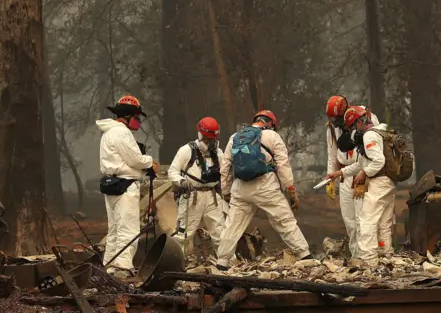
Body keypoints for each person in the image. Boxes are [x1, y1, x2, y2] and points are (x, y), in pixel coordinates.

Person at [216, 110, 311, 270]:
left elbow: (225, 168)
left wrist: (226, 192)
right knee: (284, 221)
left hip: (240, 188)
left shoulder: (235, 137)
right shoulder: (272, 136)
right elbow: (283, 165)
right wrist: (291, 190)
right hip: (265, 186)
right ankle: (305, 255)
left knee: (232, 225)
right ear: (271, 124)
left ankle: (222, 262)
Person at [96, 95, 157, 277]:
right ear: (128, 115)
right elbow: (135, 159)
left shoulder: (108, 132)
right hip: (125, 186)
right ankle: (122, 270)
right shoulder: (121, 132)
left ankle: (109, 267)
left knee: (114, 230)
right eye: (137, 118)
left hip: (112, 185)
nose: (138, 122)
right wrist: (150, 162)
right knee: (128, 230)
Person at [325, 106, 395, 266]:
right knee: (384, 223)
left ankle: (368, 260)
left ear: (358, 122)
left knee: (366, 221)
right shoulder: (381, 130)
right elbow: (361, 163)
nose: (353, 132)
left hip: (378, 182)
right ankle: (386, 255)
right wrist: (338, 174)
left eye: (353, 127)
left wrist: (364, 174)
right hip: (387, 182)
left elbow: (378, 161)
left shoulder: (369, 135)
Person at [168, 117, 226, 254]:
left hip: (213, 197)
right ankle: (175, 263)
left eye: (212, 140)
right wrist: (182, 181)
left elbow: (224, 174)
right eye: (207, 139)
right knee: (183, 235)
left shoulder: (218, 153)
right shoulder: (186, 151)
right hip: (192, 196)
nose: (210, 143)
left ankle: (226, 264)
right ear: (200, 135)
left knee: (221, 233)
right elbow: (173, 171)